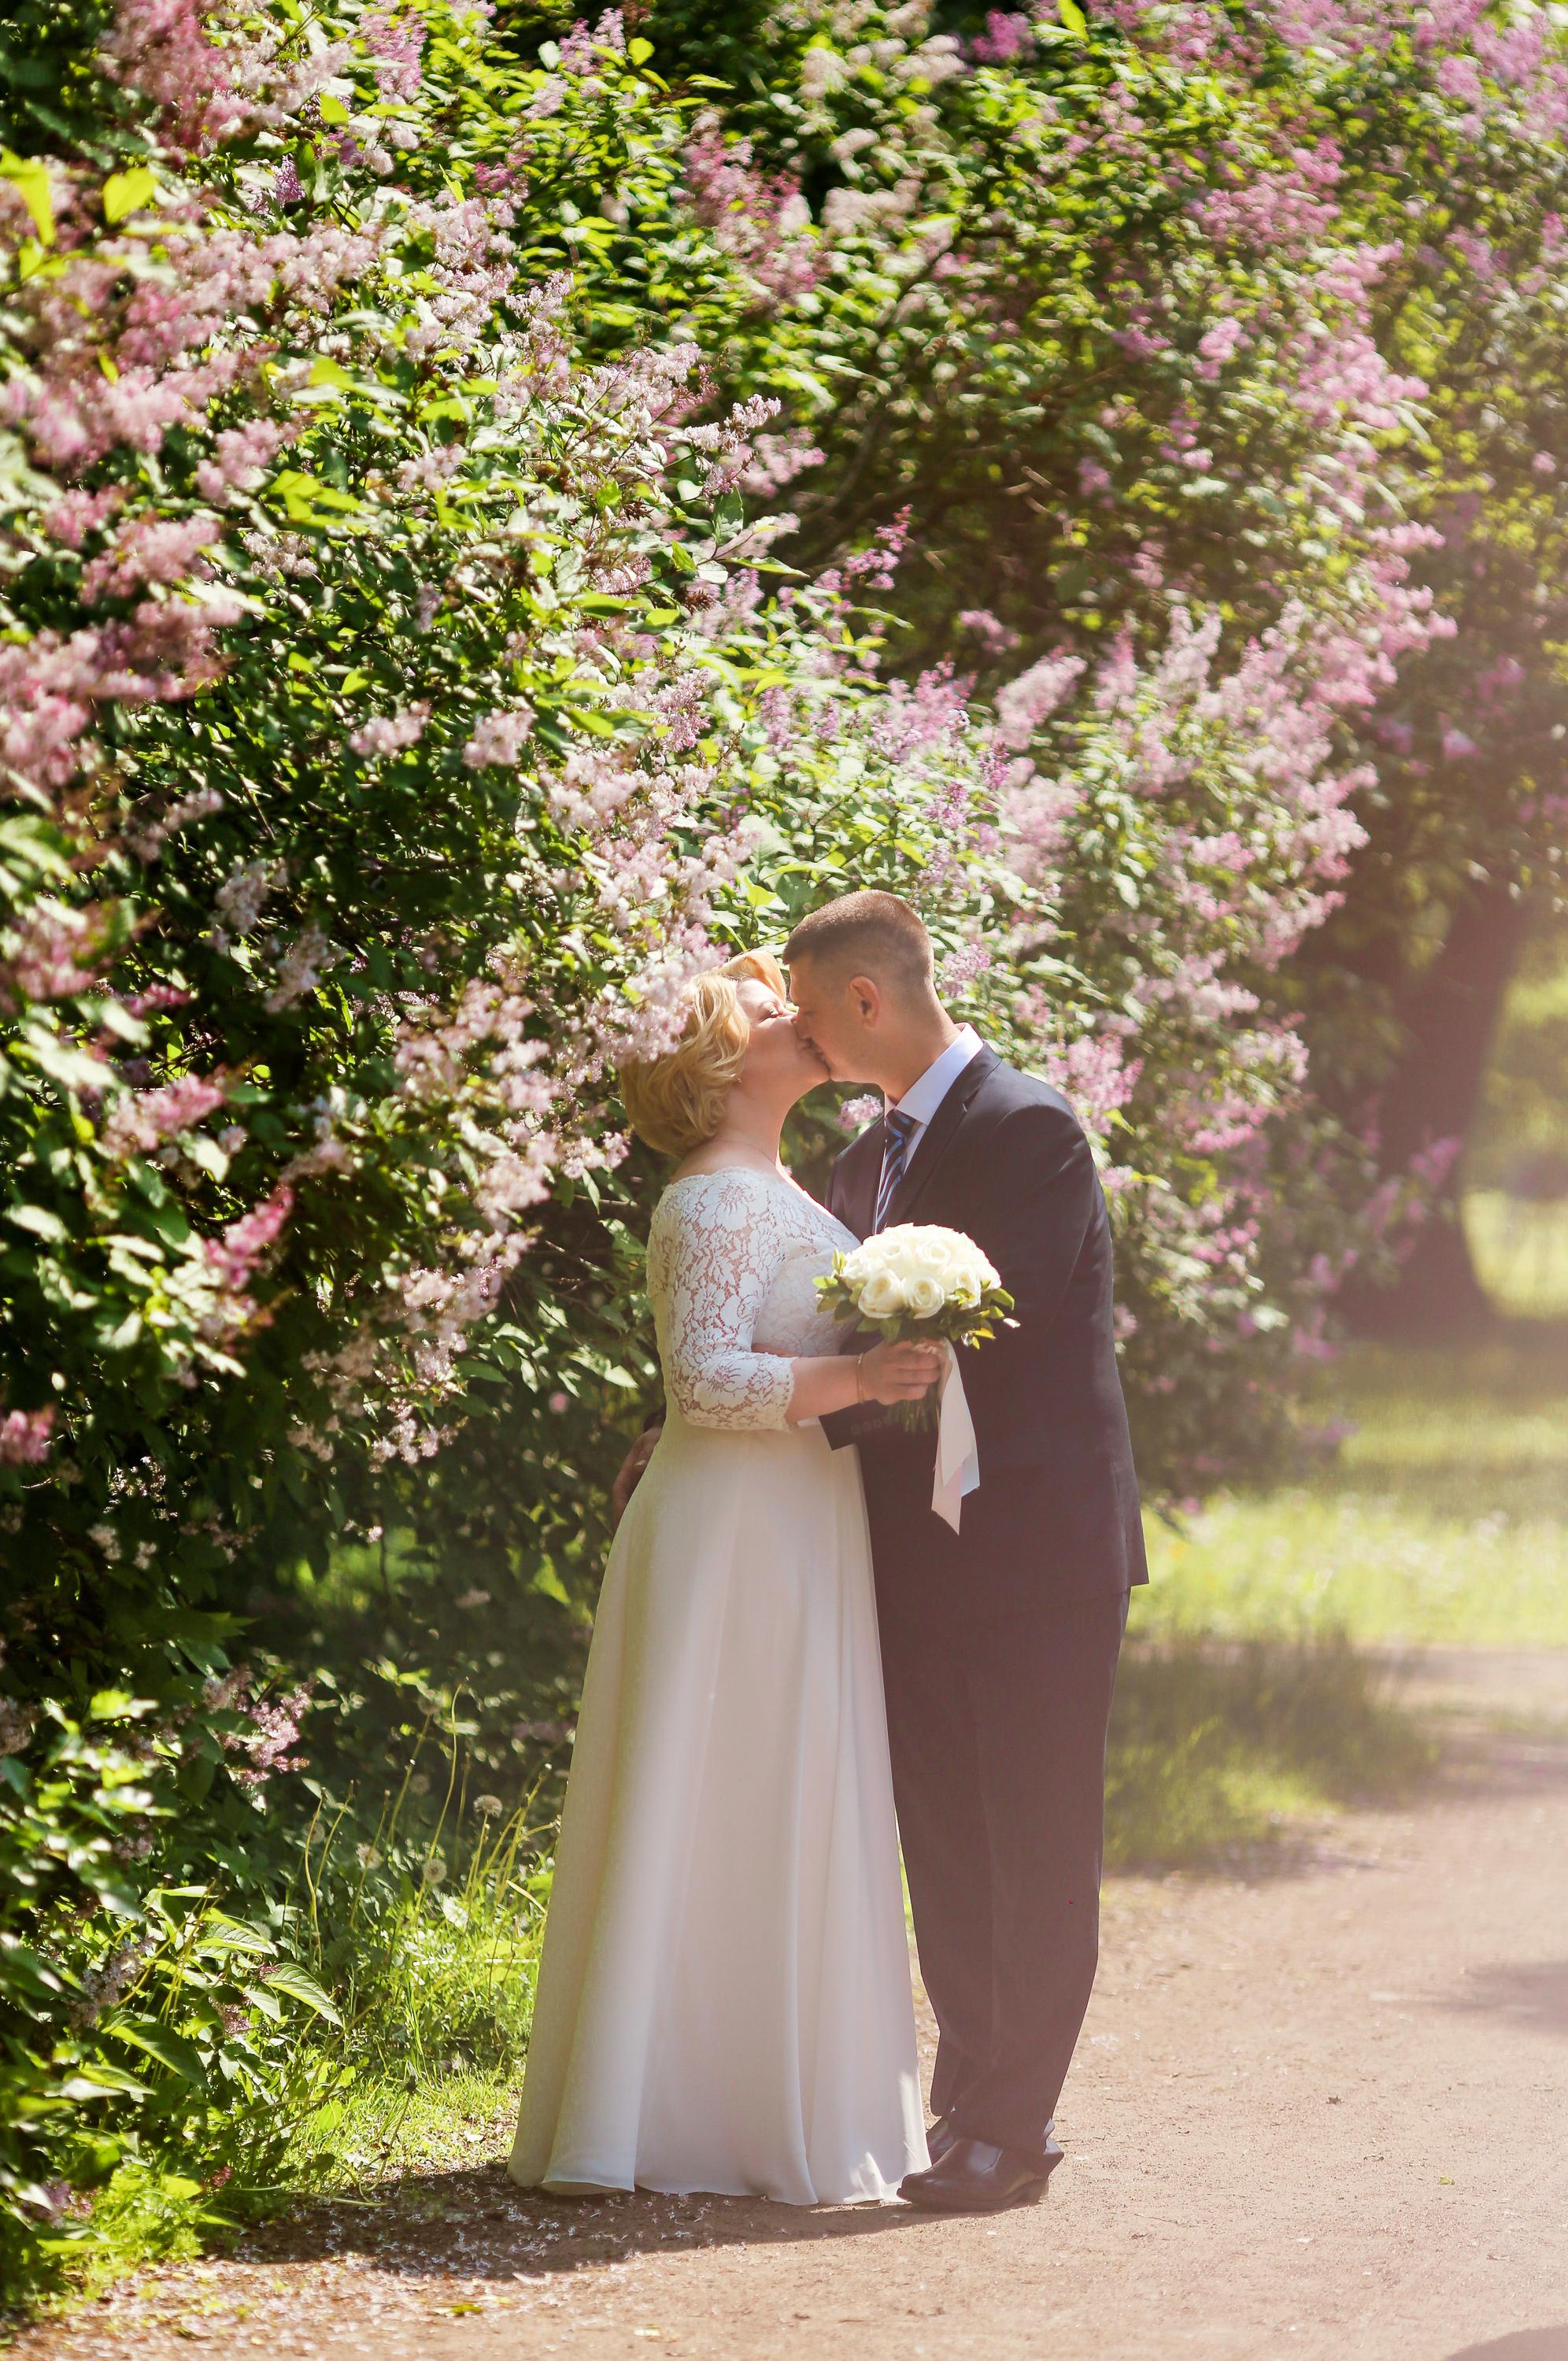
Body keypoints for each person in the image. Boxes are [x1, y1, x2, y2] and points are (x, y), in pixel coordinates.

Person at [616, 891, 1147, 2215]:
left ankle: (1011, 2129)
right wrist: (687, 1415)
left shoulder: (1028, 1128)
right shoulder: (857, 1172)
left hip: (1033, 1550)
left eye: (804, 1007)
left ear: (862, 1002)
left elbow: (983, 1349)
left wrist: (773, 1393)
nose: (796, 1029)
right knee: (947, 1840)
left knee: (1033, 1832)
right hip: (902, 1553)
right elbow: (811, 1338)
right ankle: (966, 2099)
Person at [509, 949, 938, 2204]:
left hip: (800, 1515)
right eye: (764, 1006)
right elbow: (699, 1382)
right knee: (717, 1784)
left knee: (782, 1783)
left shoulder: (786, 1188)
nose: (794, 1012)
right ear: (711, 1058)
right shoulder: (707, 1201)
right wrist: (866, 1380)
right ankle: (671, 2111)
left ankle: (775, 2093)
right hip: (732, 1531)